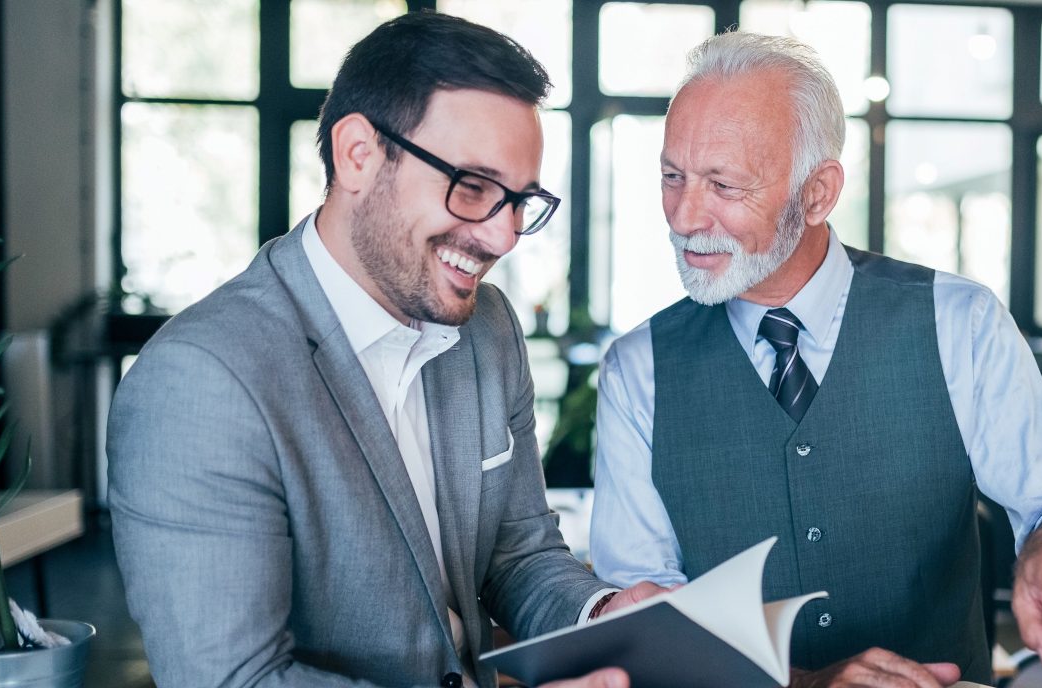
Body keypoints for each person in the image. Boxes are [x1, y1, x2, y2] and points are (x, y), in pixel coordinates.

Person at [108, 12, 657, 688]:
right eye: (473, 186)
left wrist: (606, 611)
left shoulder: (487, 329)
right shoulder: (202, 381)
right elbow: (235, 681)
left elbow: (519, 555)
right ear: (358, 155)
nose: (504, 237)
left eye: (519, 201)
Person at [590, 32, 1042, 687]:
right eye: (672, 176)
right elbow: (646, 624)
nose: (684, 216)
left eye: (724, 184)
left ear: (818, 193)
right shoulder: (638, 371)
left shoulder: (957, 323)